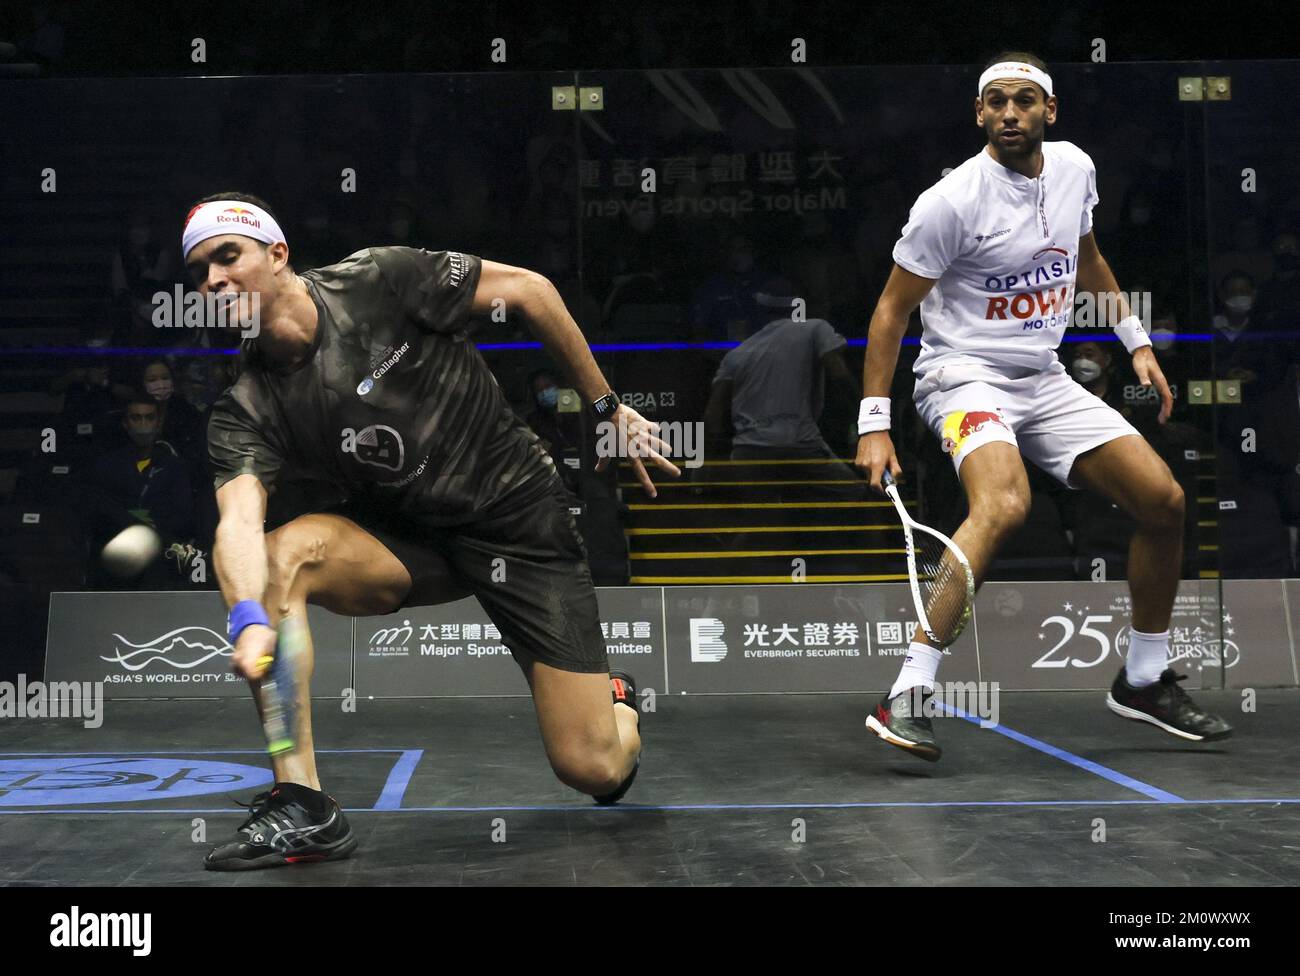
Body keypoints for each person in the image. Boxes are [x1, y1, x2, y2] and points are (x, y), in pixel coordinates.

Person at [185, 193, 678, 869]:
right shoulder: (245, 406)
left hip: (519, 524)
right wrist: (247, 618)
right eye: (199, 271)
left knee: (594, 770)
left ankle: (613, 699)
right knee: (281, 556)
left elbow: (531, 292)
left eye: (226, 255)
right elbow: (238, 519)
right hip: (408, 543)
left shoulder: (379, 280)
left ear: (277, 254)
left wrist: (608, 407)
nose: (212, 280)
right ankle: (301, 802)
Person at [855, 52, 1232, 762]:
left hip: (1042, 376)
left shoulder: (1075, 170)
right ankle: (907, 689)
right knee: (1003, 505)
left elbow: (1084, 253)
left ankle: (1144, 680)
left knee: (1164, 501)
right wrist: (874, 422)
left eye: (1024, 101)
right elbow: (888, 313)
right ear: (979, 114)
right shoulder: (950, 203)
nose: (1009, 113)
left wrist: (1136, 341)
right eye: (995, 101)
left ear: (1048, 111)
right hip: (962, 377)